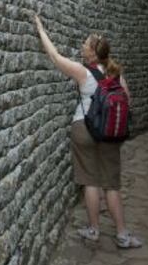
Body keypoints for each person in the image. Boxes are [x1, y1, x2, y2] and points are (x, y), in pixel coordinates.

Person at [34, 15, 142, 248]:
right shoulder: (116, 74)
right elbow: (127, 102)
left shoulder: (82, 72)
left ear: (92, 52)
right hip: (110, 135)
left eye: (85, 44)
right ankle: (122, 235)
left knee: (90, 180)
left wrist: (41, 29)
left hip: (84, 129)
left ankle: (94, 230)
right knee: (111, 185)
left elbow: (54, 56)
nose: (82, 46)